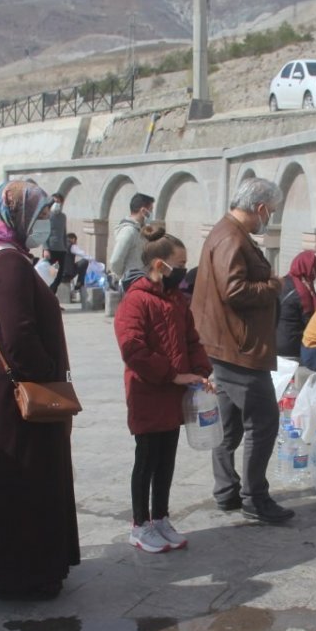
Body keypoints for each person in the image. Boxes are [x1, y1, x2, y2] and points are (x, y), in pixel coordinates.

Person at [0, 180, 80, 598]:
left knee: (8, 482)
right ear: (16, 213)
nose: (45, 222)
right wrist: (49, 375)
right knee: (23, 482)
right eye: (40, 213)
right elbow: (20, 337)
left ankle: (14, 568)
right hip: (12, 397)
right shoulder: (8, 264)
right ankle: (25, 575)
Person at [192, 178, 294, 523]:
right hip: (239, 348)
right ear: (261, 208)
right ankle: (254, 497)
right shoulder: (232, 237)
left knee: (228, 426)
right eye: (272, 212)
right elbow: (234, 290)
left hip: (227, 344)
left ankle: (227, 491)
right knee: (263, 423)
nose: (271, 218)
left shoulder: (227, 232)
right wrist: (273, 286)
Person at [113, 226, 212, 553]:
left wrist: (199, 372)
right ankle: (140, 524)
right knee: (147, 459)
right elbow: (133, 350)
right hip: (148, 392)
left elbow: (191, 340)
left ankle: (160, 517)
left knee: (167, 458)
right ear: (159, 265)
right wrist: (171, 375)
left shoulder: (175, 301)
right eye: (179, 264)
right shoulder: (135, 301)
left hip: (173, 394)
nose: (183, 271)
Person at [275, 250, 316, 359]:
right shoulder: (302, 292)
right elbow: (310, 321)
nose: (313, 279)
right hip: (291, 346)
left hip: (273, 341)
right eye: (313, 275)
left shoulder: (282, 282)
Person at [109, 193, 153, 291]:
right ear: (143, 211)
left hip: (142, 282)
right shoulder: (128, 231)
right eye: (151, 210)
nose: (152, 213)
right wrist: (125, 276)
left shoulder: (141, 229)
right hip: (131, 284)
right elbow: (115, 261)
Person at [43, 192, 72, 292]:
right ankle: (50, 301)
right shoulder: (47, 216)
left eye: (58, 202)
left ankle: (52, 299)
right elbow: (44, 233)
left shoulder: (63, 217)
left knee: (59, 277)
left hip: (61, 250)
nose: (56, 204)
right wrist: (46, 248)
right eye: (54, 202)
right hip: (51, 249)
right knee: (51, 276)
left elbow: (64, 232)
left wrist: (65, 247)